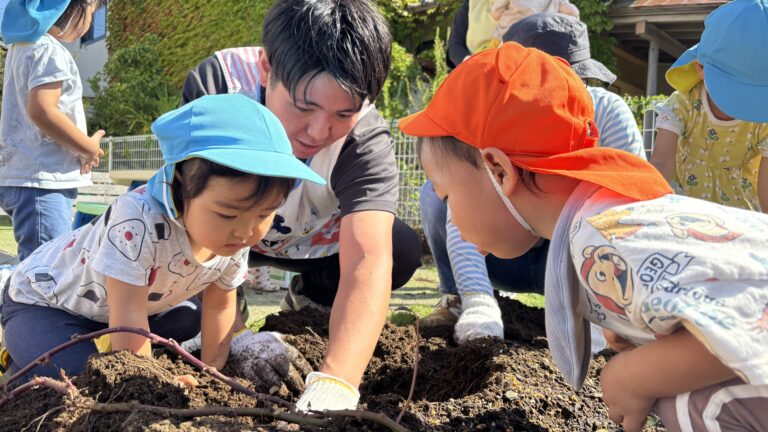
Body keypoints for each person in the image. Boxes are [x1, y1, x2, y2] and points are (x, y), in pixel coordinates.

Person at [400, 37, 768, 432]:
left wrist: (630, 377)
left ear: (500, 171)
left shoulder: (603, 239)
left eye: (447, 196)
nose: (449, 216)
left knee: (690, 402)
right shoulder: (610, 217)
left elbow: (751, 330)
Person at [181, 0, 422, 411]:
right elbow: (193, 209)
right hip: (225, 236)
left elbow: (369, 257)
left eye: (341, 113)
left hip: (313, 242)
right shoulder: (220, 86)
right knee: (180, 323)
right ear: (266, 68)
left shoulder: (364, 137)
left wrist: (338, 382)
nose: (318, 131)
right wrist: (235, 335)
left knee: (399, 247)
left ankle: (310, 301)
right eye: (303, 107)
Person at [0, 94, 325, 385]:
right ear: (180, 185)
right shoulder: (137, 221)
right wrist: (150, 384)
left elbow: (220, 305)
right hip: (46, 303)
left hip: (129, 306)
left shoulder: (236, 234)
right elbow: (127, 318)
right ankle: (18, 359)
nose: (245, 232)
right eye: (227, 214)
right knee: (89, 380)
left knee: (188, 317)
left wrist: (213, 374)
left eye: (264, 214)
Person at [419, 13, 646, 344]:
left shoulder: (610, 115)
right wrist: (478, 303)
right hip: (503, 248)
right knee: (435, 192)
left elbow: (624, 218)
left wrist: (602, 315)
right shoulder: (489, 123)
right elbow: (464, 215)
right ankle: (457, 297)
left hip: (572, 260)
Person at [0, 0, 106, 261]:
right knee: (46, 271)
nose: (91, 22)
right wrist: (87, 147)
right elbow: (43, 111)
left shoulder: (22, 47)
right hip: (43, 182)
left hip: (25, 176)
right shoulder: (49, 51)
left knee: (37, 266)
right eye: (93, 12)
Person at [650, 0, 768, 211]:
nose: (743, 102)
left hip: (744, 217)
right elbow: (660, 165)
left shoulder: (764, 120)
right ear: (701, 68)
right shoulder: (683, 105)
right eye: (736, 88)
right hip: (686, 211)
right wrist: (649, 210)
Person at [449, 0, 579, 67]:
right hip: (478, 68)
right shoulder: (471, 3)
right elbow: (455, 46)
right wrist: (472, 63)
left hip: (524, 63)